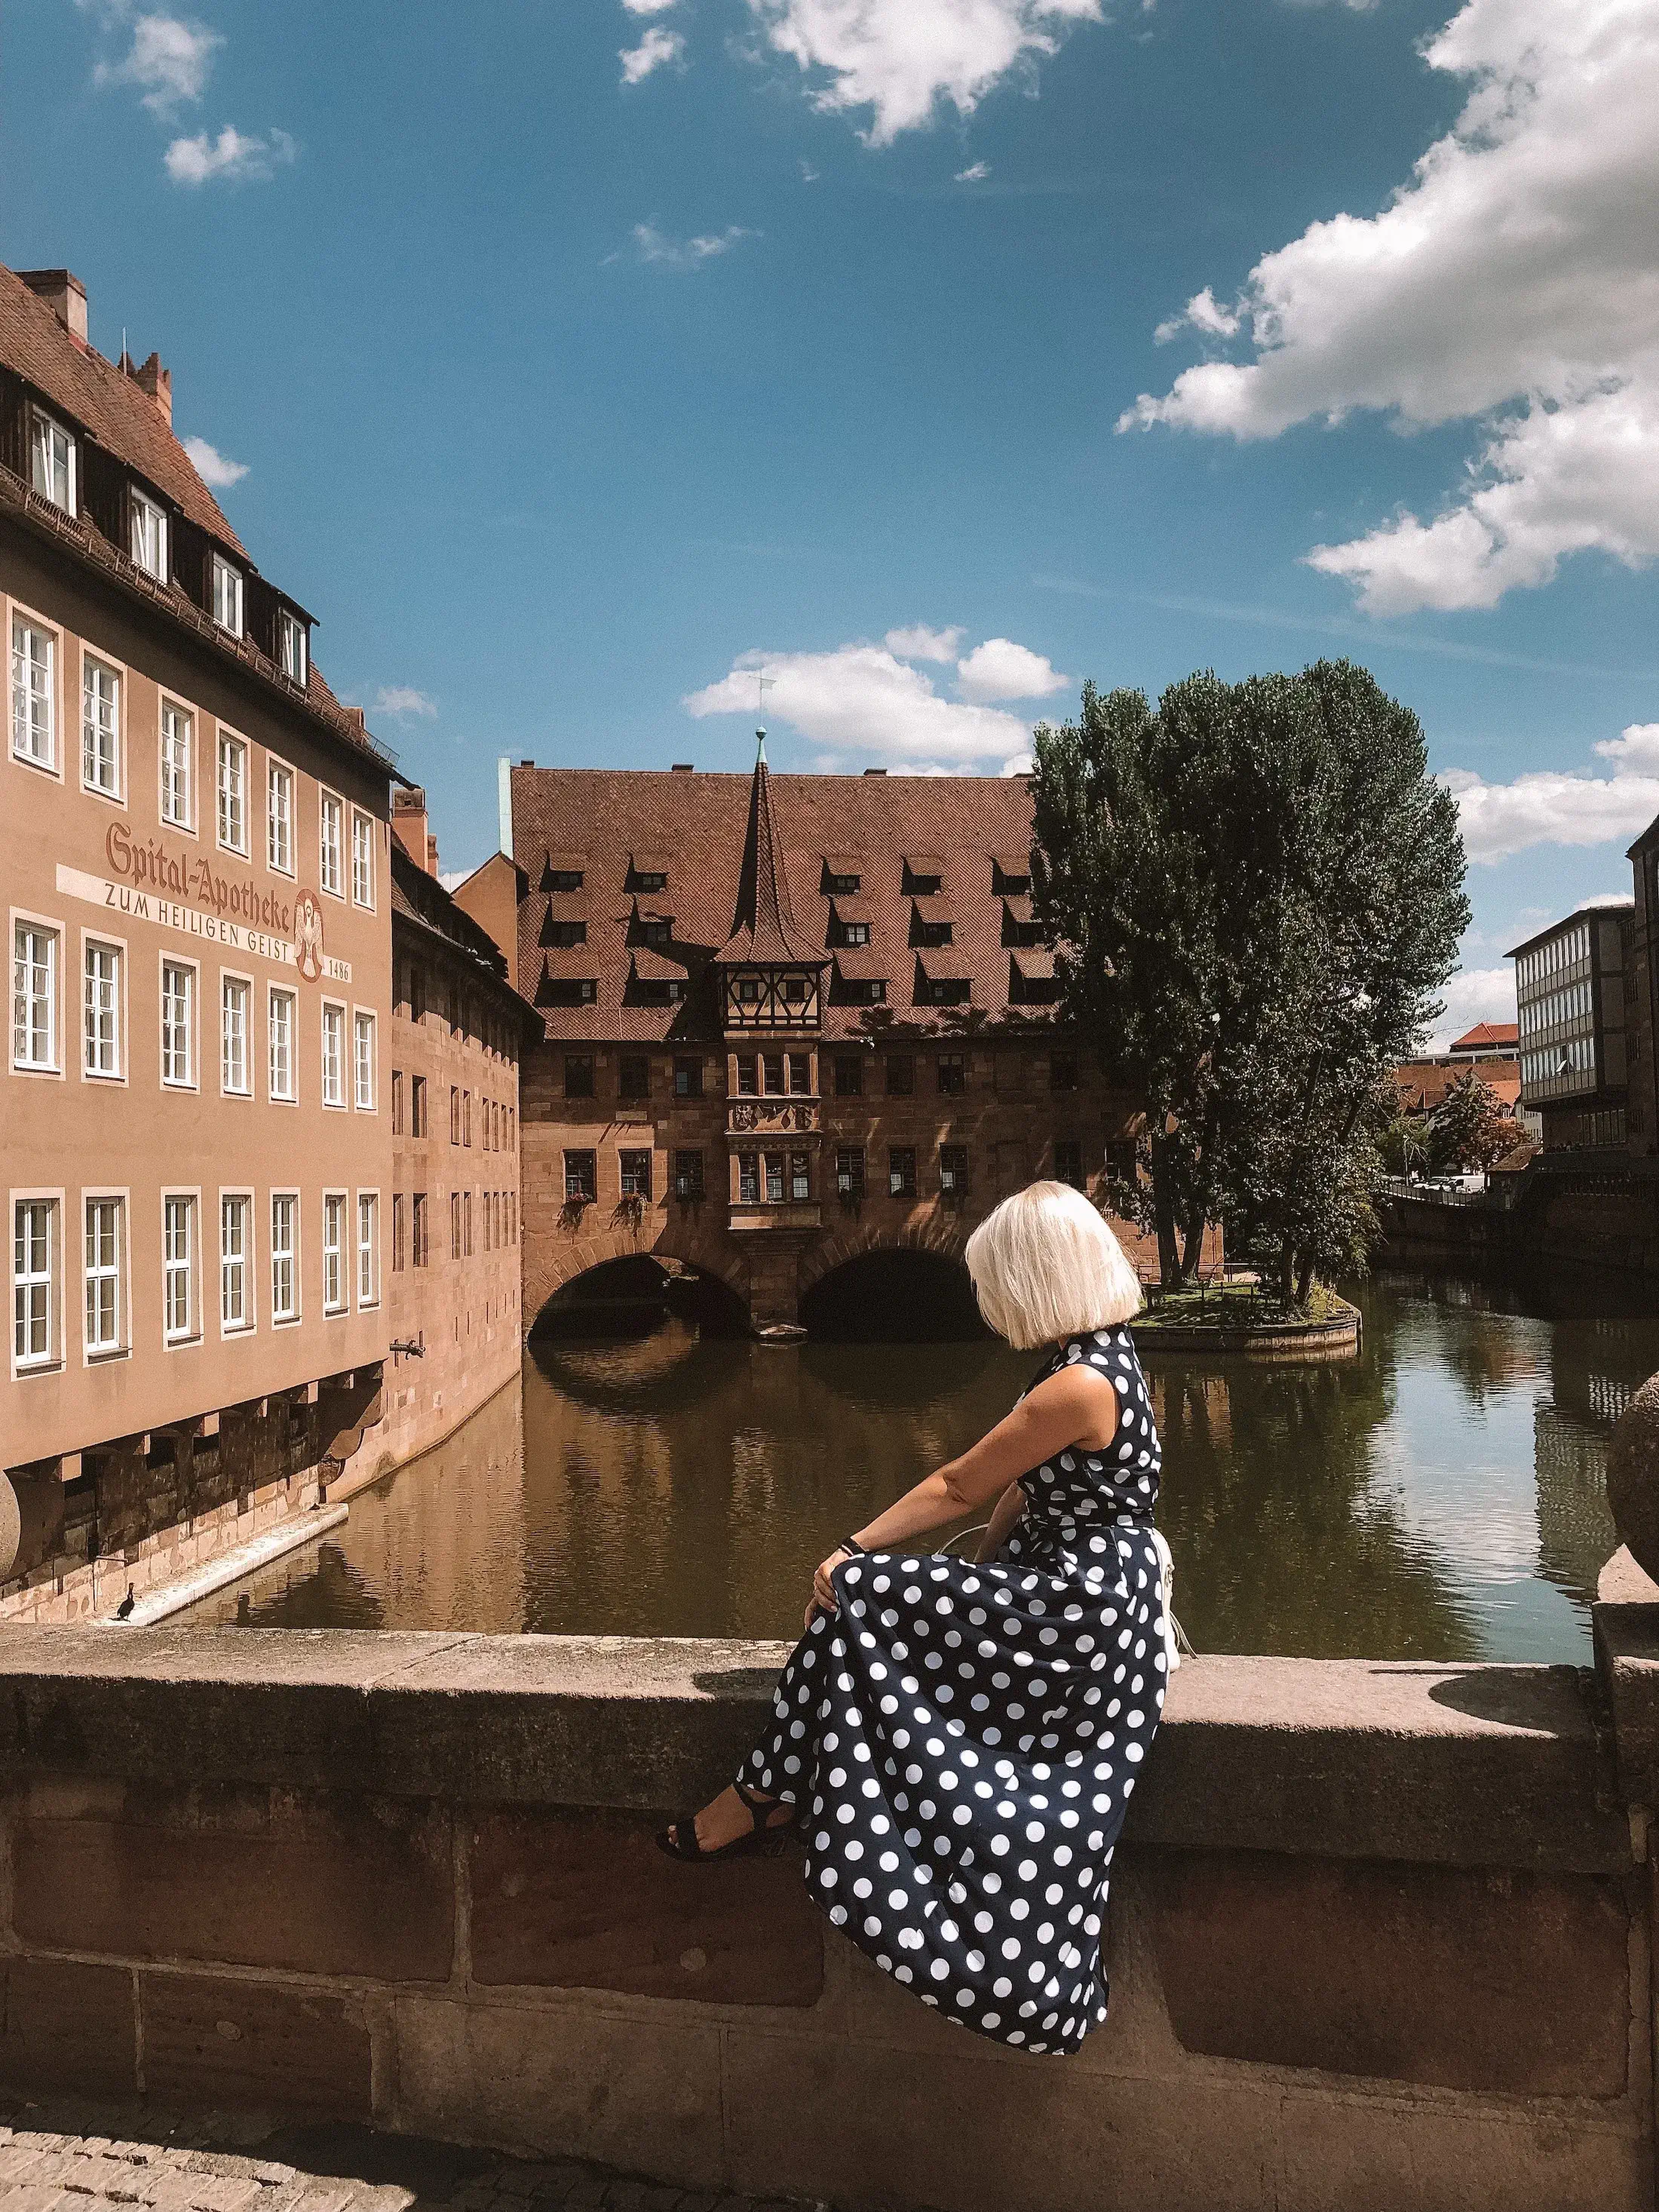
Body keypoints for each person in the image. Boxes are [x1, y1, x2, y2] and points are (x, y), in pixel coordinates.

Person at [658, 1179, 1169, 2057]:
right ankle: (765, 1790)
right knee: (884, 1598)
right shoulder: (1099, 1357)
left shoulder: (1076, 1383)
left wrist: (851, 1549)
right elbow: (1018, 1489)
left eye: (994, 1279)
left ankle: (763, 1793)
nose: (985, 1297)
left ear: (1031, 1278)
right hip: (1086, 1601)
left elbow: (958, 1482)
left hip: (1082, 1615)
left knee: (859, 1591)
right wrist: (971, 1579)